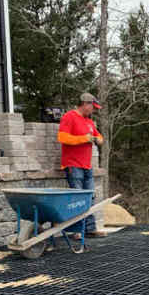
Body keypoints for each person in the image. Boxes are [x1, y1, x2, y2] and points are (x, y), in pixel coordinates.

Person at [57, 92, 106, 237]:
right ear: (85, 104)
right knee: (77, 200)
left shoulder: (89, 121)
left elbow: (100, 137)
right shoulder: (69, 117)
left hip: (86, 166)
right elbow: (62, 137)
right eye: (93, 107)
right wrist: (83, 139)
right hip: (73, 165)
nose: (94, 110)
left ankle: (90, 229)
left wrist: (98, 139)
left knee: (89, 198)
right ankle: (76, 231)